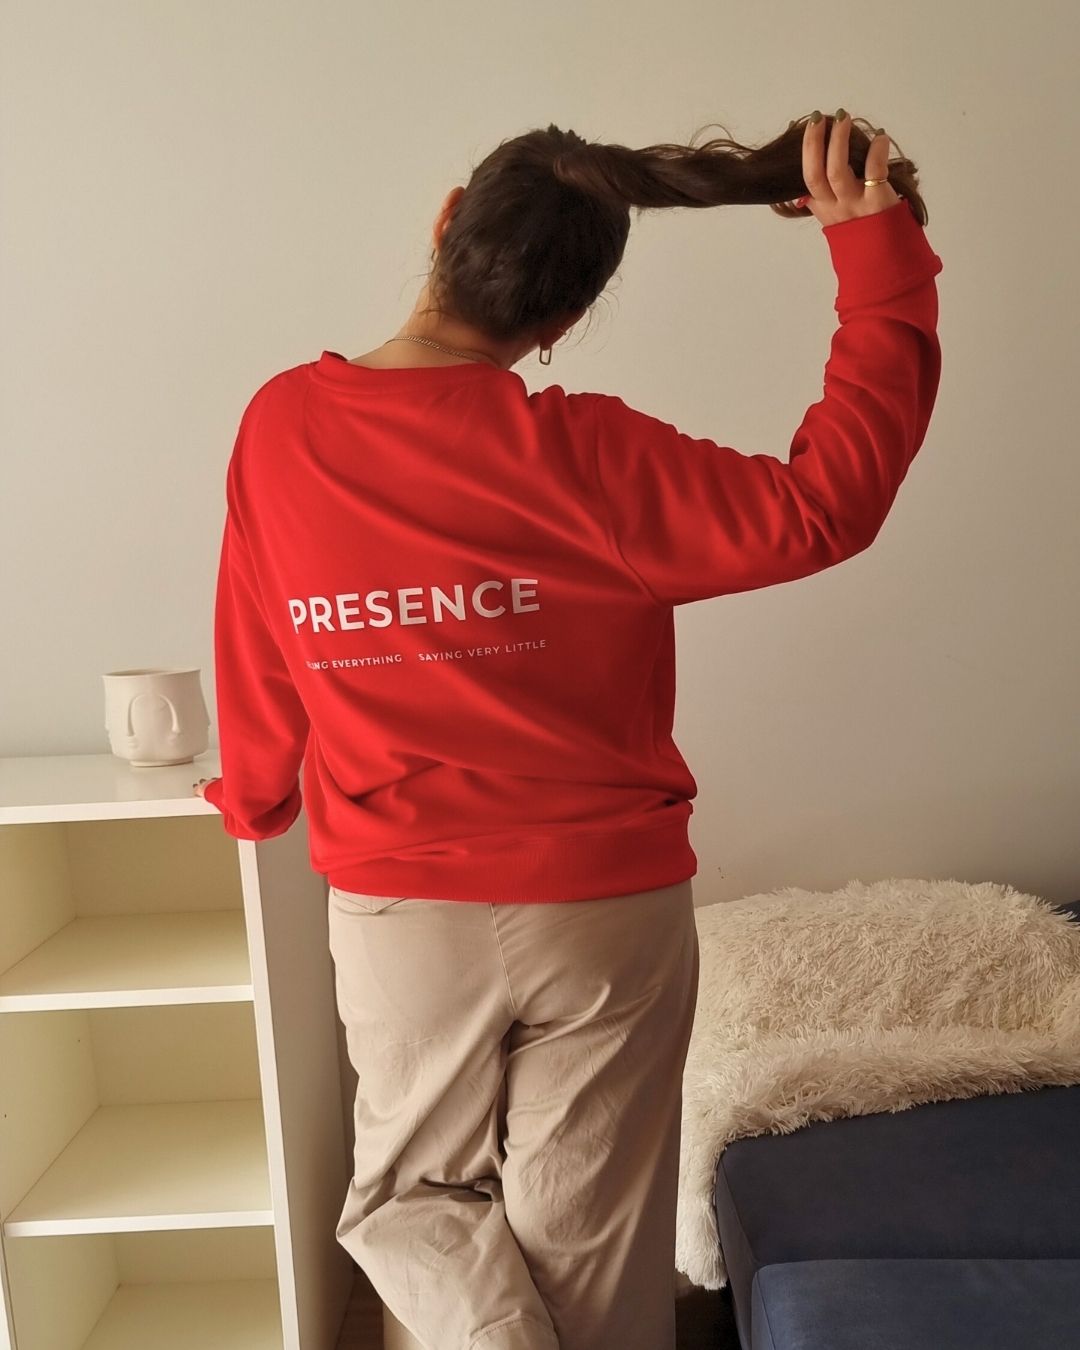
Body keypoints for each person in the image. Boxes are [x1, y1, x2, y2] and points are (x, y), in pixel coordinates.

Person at [194, 109, 943, 1349]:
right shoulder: (590, 457)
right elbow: (826, 505)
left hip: (403, 905)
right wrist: (878, 260)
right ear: (564, 322)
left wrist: (258, 791)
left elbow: (256, 637)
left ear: (446, 223)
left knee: (405, 1202)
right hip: (605, 911)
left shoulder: (283, 427)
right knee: (585, 1246)